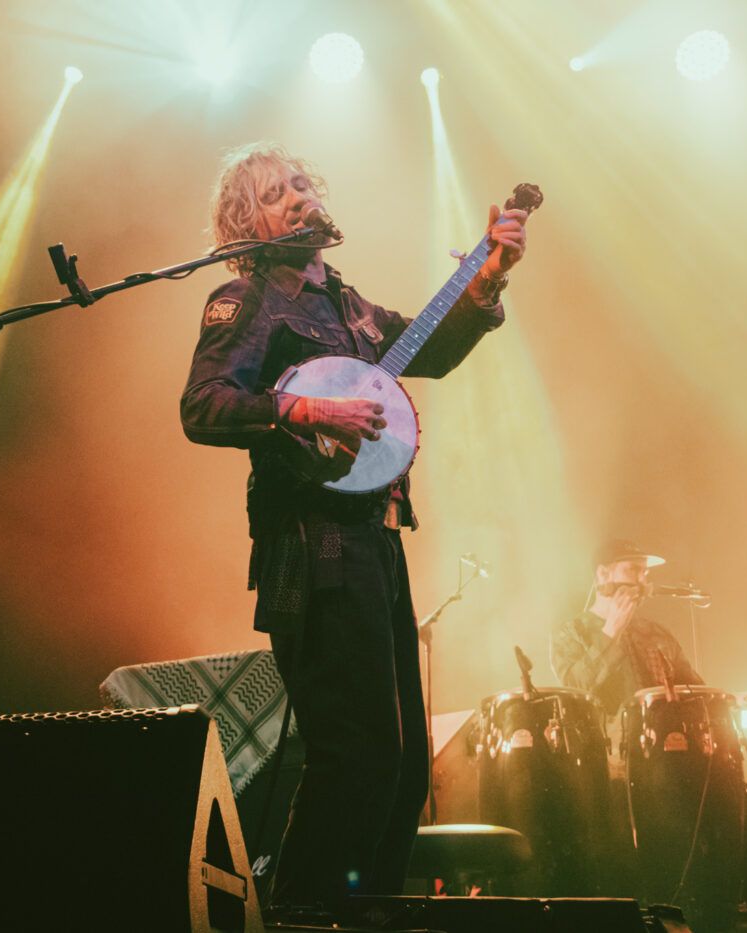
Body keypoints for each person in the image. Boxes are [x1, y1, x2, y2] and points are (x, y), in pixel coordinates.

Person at [180, 142, 527, 908]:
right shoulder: (245, 299)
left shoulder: (349, 305)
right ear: (246, 222)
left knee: (402, 770)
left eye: (302, 183)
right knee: (356, 755)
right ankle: (307, 913)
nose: (299, 197)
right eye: (277, 193)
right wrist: (304, 407)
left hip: (376, 539)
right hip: (312, 546)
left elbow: (432, 349)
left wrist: (487, 278)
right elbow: (203, 405)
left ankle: (364, 914)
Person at [549, 539, 703, 717]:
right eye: (633, 570)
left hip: (665, 732)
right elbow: (575, 689)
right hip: (607, 734)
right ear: (603, 574)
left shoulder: (657, 633)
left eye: (645, 572)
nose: (643, 580)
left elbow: (696, 693)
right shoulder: (571, 632)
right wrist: (611, 631)